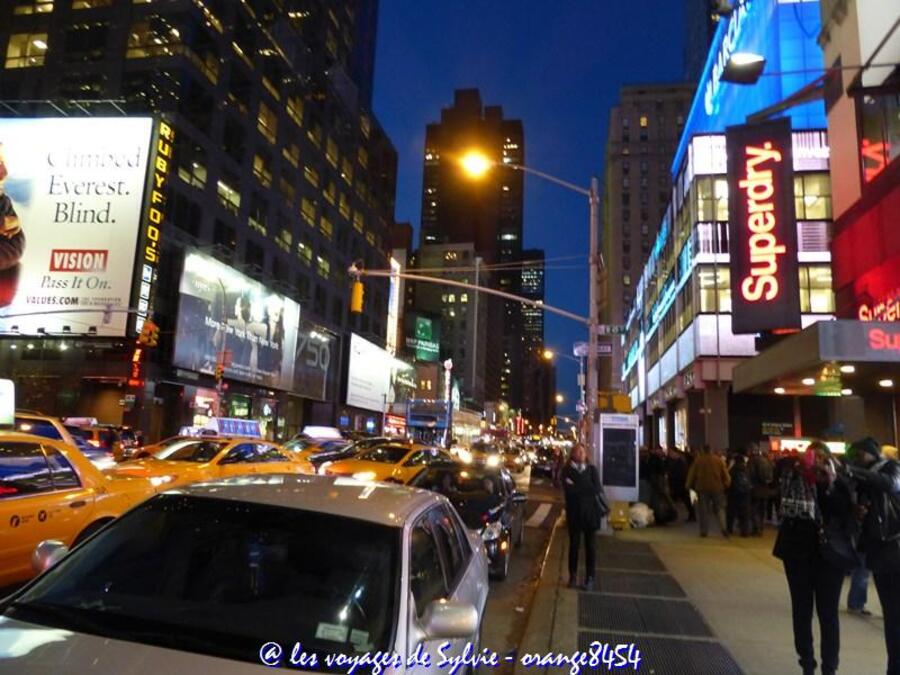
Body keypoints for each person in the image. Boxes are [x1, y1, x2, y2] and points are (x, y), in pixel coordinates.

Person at [774, 441, 855, 675]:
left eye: (823, 457)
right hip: (798, 553)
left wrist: (831, 483)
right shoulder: (794, 476)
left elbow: (846, 512)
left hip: (830, 556)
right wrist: (801, 469)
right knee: (801, 610)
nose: (818, 461)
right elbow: (785, 503)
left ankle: (830, 667)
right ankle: (807, 663)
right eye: (814, 456)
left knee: (828, 613)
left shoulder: (840, 481)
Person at [847, 437, 900, 673]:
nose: (857, 460)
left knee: (895, 617)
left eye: (859, 455)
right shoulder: (867, 476)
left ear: (870, 453)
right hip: (880, 552)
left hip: (893, 550)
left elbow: (890, 484)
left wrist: (854, 471)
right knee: (892, 617)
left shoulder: (890, 468)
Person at [562, 443, 609, 590]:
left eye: (582, 452)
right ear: (572, 454)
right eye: (578, 452)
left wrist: (577, 485)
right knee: (574, 546)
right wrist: (585, 487)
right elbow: (569, 492)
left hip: (591, 514)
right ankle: (573, 576)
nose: (581, 454)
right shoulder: (566, 470)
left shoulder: (592, 470)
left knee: (591, 547)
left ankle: (590, 578)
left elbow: (597, 489)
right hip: (575, 514)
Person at [686, 445, 731, 538]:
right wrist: (726, 484)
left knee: (703, 510)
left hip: (702, 488)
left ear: (702, 450)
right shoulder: (718, 460)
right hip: (717, 488)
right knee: (720, 509)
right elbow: (725, 474)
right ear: (711, 450)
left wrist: (688, 485)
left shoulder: (698, 461)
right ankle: (724, 529)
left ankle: (704, 531)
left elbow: (692, 474)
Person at [748, 442, 775, 535]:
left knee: (753, 510)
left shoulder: (752, 461)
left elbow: (750, 475)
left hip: (756, 489)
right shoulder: (765, 460)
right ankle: (761, 528)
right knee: (762, 510)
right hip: (765, 488)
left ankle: (757, 528)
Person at [727, 452, 753, 537]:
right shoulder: (747, 469)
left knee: (731, 513)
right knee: (744, 513)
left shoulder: (732, 470)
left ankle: (729, 529)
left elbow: (728, 481)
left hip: (734, 493)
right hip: (745, 493)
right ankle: (744, 531)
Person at [667, 448, 695, 522]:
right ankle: (692, 515)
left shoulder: (680, 462)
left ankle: (691, 515)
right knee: (685, 500)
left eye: (671, 453)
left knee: (685, 500)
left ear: (676, 453)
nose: (670, 454)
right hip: (679, 483)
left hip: (680, 483)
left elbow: (681, 473)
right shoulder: (677, 461)